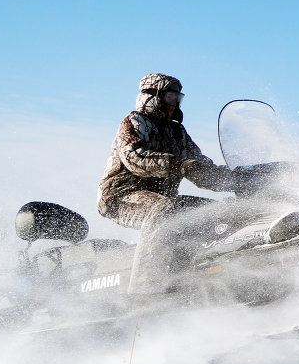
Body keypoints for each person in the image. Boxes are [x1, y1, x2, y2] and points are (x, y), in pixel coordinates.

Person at [97, 73, 239, 294]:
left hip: (165, 199)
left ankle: (199, 282)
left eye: (178, 99)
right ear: (153, 97)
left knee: (213, 211)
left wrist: (237, 179)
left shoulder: (177, 132)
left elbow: (201, 167)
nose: (175, 104)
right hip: (121, 197)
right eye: (171, 97)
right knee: (163, 212)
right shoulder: (134, 122)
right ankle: (147, 290)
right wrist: (177, 165)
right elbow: (135, 158)